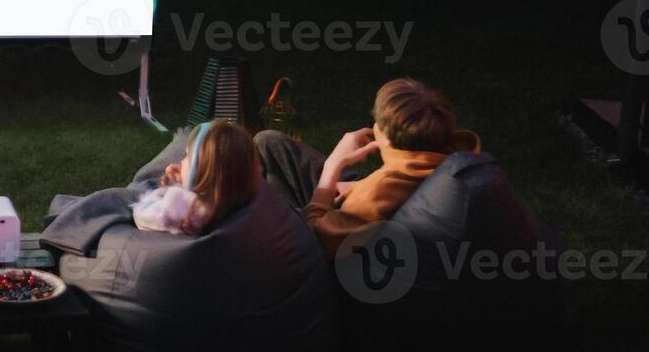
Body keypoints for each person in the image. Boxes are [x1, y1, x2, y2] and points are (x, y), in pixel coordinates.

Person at [255, 78, 481, 257]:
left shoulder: (375, 196)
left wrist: (333, 168)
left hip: (327, 240)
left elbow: (315, 239)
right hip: (378, 193)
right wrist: (354, 186)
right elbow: (401, 181)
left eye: (378, 124)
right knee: (271, 142)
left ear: (386, 139)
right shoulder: (458, 156)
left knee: (267, 186)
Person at [132, 120, 261, 236]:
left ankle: (184, 134)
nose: (182, 160)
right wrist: (187, 180)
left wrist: (167, 188)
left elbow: (140, 214)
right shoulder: (232, 199)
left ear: (202, 173)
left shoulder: (182, 210)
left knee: (142, 179)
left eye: (187, 155)